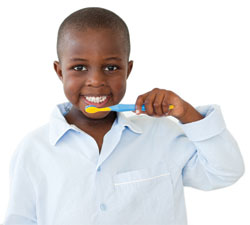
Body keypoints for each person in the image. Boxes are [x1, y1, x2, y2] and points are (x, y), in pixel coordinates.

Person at [4, 7, 244, 225]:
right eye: (79, 68)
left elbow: (226, 171)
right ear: (59, 71)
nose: (96, 80)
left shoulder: (160, 134)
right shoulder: (33, 150)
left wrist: (186, 113)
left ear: (128, 70)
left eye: (111, 68)